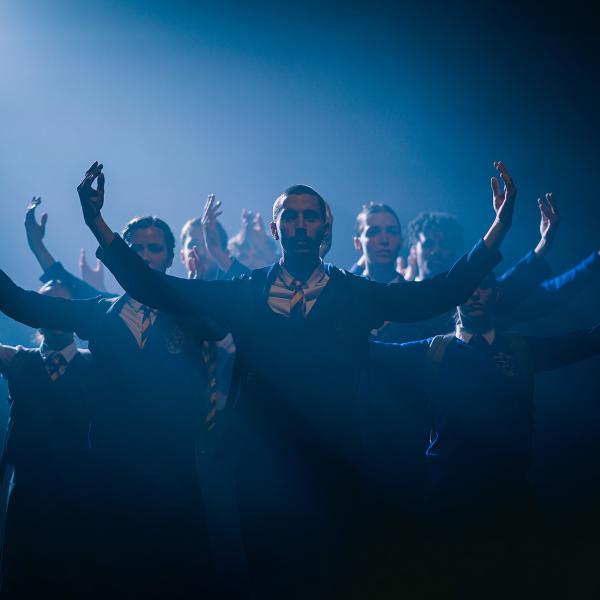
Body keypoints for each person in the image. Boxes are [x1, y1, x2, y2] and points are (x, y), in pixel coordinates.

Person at [80, 159, 513, 596]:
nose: (300, 224)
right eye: (290, 216)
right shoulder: (245, 291)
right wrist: (97, 223)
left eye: (310, 216)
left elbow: (437, 294)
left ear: (325, 226)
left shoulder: (353, 293)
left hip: (337, 464)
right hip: (261, 469)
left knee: (336, 576)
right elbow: (157, 289)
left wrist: (497, 229)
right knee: (270, 578)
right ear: (275, 228)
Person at [0, 213, 219, 597]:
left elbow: (224, 326)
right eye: (136, 248)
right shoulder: (98, 312)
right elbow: (22, 303)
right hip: (109, 479)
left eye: (155, 248)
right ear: (120, 255)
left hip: (177, 481)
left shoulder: (189, 313)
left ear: (169, 257)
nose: (145, 256)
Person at [370, 271, 600, 596]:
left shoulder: (520, 349)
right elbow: (367, 351)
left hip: (510, 502)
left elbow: (585, 341)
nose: (474, 294)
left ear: (495, 292)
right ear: (453, 297)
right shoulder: (432, 351)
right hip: (447, 505)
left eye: (483, 286)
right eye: (466, 287)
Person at [0, 280, 96, 598]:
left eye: (62, 306)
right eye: (46, 305)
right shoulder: (19, 361)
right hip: (27, 495)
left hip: (79, 497)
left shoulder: (96, 365)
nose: (54, 313)